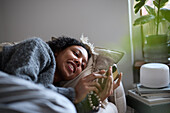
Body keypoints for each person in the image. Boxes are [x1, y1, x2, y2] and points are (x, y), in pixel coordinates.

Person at [0, 36, 122, 113]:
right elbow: (20, 81)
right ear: (58, 51)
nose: (78, 62)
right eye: (76, 53)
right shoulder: (38, 46)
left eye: (83, 65)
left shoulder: (56, 86)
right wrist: (73, 94)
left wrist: (96, 99)